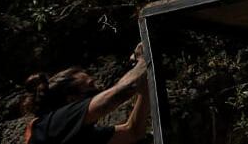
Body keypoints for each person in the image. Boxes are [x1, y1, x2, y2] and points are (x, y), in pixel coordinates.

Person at [20, 43, 150, 144]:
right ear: (72, 99)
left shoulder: (77, 134)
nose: (98, 87)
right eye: (91, 85)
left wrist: (145, 89)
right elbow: (115, 96)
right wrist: (144, 61)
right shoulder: (55, 123)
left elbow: (133, 132)